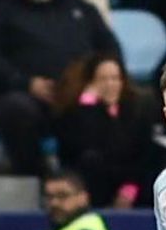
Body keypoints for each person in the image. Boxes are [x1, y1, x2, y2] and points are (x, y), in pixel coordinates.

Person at [0, 0, 119, 177]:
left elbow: (110, 51)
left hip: (80, 96)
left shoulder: (83, 10)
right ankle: (39, 180)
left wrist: (94, 83)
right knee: (14, 109)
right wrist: (26, 83)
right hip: (28, 96)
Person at [56, 55, 159, 208]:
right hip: (96, 183)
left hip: (133, 183)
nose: (110, 84)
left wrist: (130, 189)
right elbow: (81, 147)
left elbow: (143, 155)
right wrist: (89, 106)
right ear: (91, 83)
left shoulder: (136, 111)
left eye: (115, 78)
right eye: (102, 79)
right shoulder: (76, 113)